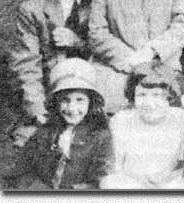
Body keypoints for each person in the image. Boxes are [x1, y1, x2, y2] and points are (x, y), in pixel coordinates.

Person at [9, 0, 92, 147]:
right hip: (48, 103)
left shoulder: (98, 8)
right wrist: (39, 113)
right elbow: (26, 67)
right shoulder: (32, 10)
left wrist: (77, 42)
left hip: (88, 104)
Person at [10, 58, 113, 189]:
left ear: (91, 102)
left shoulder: (101, 137)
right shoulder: (44, 132)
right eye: (65, 100)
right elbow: (22, 171)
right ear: (56, 102)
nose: (72, 108)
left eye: (80, 100)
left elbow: (102, 179)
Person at [100, 68, 184, 189]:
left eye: (157, 95)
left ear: (169, 98)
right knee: (110, 182)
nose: (149, 103)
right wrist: (139, 181)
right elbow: (116, 166)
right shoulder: (121, 120)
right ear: (133, 97)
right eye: (142, 95)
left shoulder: (183, 119)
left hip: (172, 185)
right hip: (133, 184)